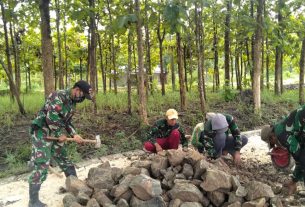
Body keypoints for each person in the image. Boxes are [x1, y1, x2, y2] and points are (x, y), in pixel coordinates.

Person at [28, 80, 93, 207]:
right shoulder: (58, 96)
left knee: (63, 157)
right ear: (77, 90)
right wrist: (59, 135)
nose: (82, 98)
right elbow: (51, 118)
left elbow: (67, 122)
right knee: (41, 164)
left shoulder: (72, 103)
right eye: (82, 95)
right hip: (42, 131)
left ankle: (75, 187)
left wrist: (74, 134)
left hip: (55, 131)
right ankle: (33, 201)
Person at [261, 105, 305, 195]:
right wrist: (293, 180)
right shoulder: (283, 127)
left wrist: (293, 180)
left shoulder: (281, 135)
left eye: (272, 143)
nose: (276, 145)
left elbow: (300, 158)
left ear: (272, 136)